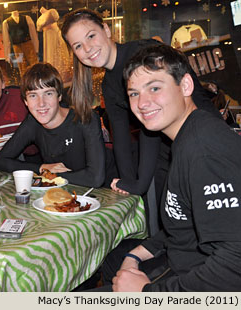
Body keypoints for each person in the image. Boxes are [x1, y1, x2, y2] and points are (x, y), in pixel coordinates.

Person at [96, 44, 241, 291]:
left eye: (154, 88)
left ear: (185, 85)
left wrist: (146, 293)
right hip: (179, 263)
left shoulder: (204, 151)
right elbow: (186, 222)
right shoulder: (186, 137)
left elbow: (234, 267)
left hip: (192, 282)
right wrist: (138, 253)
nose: (143, 103)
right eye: (134, 94)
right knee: (110, 258)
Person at [61, 8, 220, 232]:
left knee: (205, 222)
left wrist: (138, 183)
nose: (87, 49)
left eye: (91, 36)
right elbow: (121, 138)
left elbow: (151, 122)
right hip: (170, 147)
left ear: (106, 29)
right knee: (175, 224)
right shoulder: (108, 84)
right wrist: (128, 184)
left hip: (203, 140)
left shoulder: (143, 54)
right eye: (78, 46)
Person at [0, 62, 106, 188]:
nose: (41, 103)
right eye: (33, 95)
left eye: (48, 93)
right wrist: (42, 168)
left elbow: (96, 179)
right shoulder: (33, 123)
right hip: (63, 193)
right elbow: (1, 161)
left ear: (59, 96)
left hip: (105, 194)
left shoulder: (86, 118)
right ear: (25, 101)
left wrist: (50, 176)